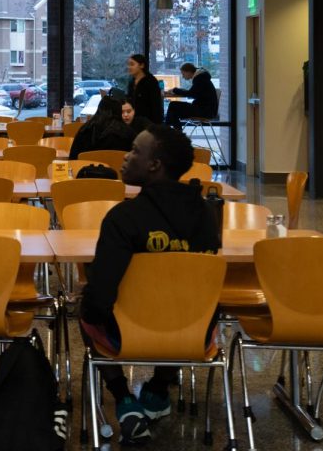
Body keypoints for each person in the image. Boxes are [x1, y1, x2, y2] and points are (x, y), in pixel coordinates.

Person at [79, 124, 220, 445]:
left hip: (128, 334)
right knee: (178, 304)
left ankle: (124, 400)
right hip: (194, 333)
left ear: (154, 165)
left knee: (85, 309)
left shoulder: (123, 218)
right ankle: (157, 391)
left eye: (134, 152)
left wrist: (88, 305)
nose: (125, 157)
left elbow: (101, 295)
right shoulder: (206, 213)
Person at [69, 94, 152, 159]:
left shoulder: (85, 130)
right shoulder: (127, 133)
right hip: (120, 178)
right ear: (118, 112)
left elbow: (72, 158)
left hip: (86, 178)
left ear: (99, 109)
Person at [165, 62, 219, 130]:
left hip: (205, 111)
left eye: (183, 73)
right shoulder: (201, 77)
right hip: (206, 109)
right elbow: (194, 92)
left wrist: (175, 90)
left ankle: (169, 129)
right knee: (173, 109)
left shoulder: (200, 79)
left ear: (189, 72)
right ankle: (173, 131)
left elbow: (191, 94)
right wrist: (178, 90)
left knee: (173, 106)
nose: (183, 76)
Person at [125, 53, 164, 125]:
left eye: (132, 64)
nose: (129, 67)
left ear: (141, 65)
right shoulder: (131, 81)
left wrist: (156, 126)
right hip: (133, 120)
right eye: (129, 64)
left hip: (147, 121)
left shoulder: (150, 81)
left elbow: (156, 105)